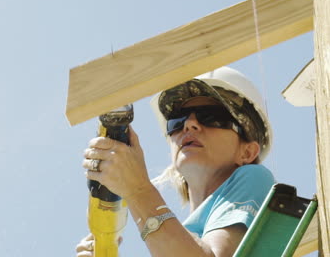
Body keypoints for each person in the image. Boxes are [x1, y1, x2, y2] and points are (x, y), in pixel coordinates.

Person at [76, 66, 275, 257]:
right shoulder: (184, 238)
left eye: (211, 116)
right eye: (177, 120)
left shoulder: (255, 176)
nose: (189, 124)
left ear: (247, 152)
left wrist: (138, 190)